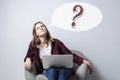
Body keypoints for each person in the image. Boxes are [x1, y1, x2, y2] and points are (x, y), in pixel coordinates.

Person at [24, 21, 92, 80]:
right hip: (48, 70)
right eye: (38, 28)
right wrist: (28, 59)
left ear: (46, 29)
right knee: (52, 71)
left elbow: (69, 55)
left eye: (43, 26)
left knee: (62, 72)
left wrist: (83, 61)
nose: (41, 28)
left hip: (63, 68)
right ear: (36, 34)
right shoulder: (33, 44)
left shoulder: (56, 42)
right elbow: (28, 55)